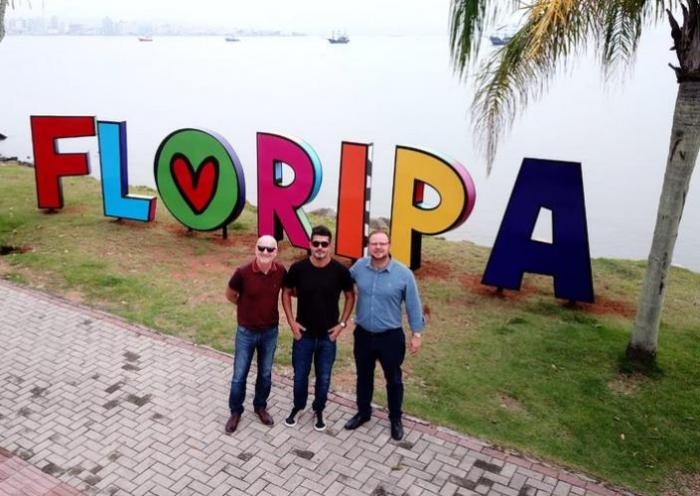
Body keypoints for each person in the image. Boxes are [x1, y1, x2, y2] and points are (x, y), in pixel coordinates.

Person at [344, 229, 425, 441]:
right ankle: (363, 413)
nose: (378, 247)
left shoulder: (403, 274)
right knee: (364, 376)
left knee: (394, 379)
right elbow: (341, 282)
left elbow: (413, 305)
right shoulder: (359, 267)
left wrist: (416, 333)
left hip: (390, 337)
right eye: (374, 244)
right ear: (368, 246)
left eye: (382, 243)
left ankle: (395, 418)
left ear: (389, 246)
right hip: (363, 335)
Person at [281, 225, 355, 431]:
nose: (320, 248)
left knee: (324, 378)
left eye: (324, 244)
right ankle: (298, 407)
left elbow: (350, 296)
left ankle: (319, 409)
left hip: (327, 337)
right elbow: (286, 292)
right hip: (303, 335)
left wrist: (341, 325)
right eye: (316, 244)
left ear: (330, 246)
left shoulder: (340, 271)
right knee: (300, 376)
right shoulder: (298, 268)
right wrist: (291, 322)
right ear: (310, 245)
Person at [224, 235, 286, 433]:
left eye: (270, 249)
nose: (265, 252)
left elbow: (290, 291)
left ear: (276, 252)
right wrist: (245, 309)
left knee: (265, 374)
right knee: (239, 375)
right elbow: (230, 295)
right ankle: (235, 411)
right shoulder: (242, 273)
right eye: (262, 248)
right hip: (246, 332)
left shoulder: (280, 271)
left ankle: (260, 406)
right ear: (255, 249)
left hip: (270, 331)